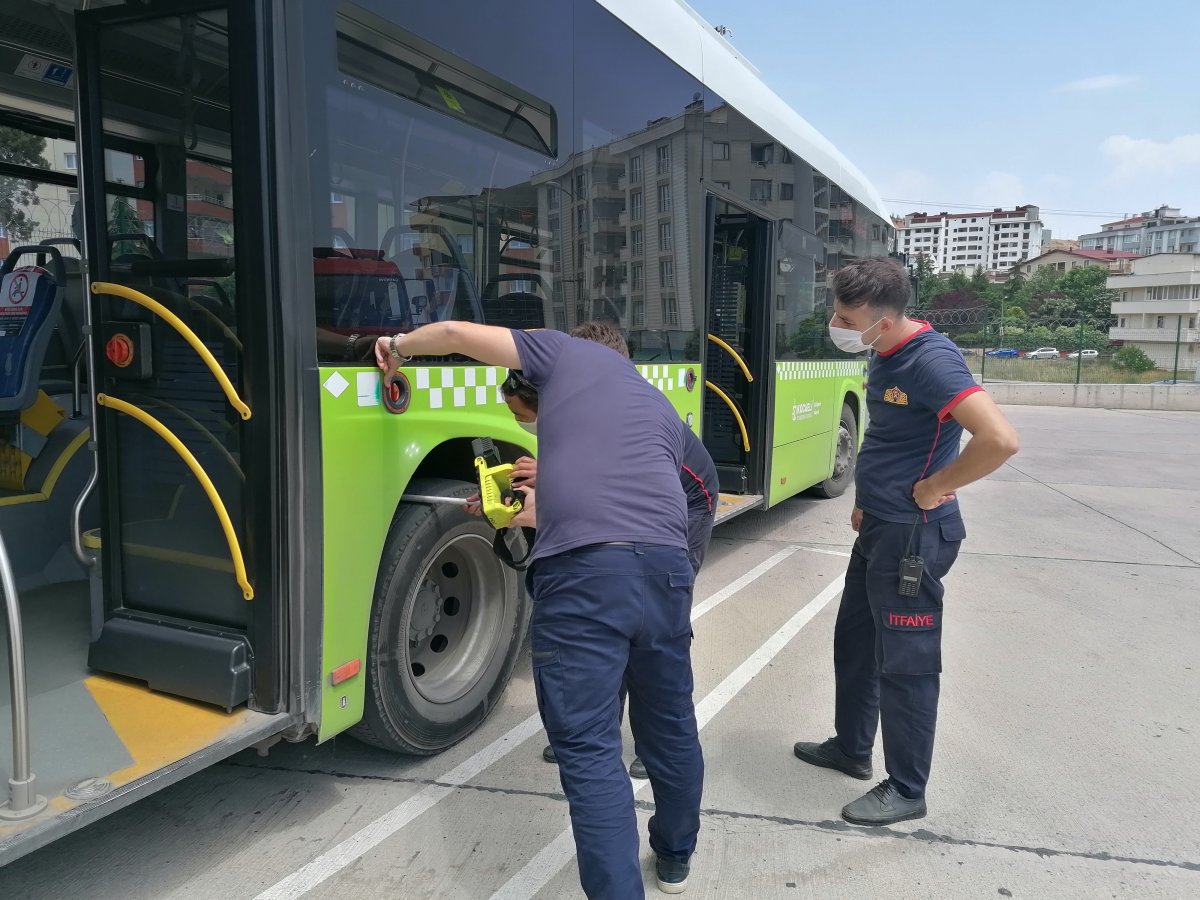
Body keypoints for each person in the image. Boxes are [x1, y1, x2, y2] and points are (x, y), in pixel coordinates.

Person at [376, 320, 703, 897]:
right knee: (671, 724)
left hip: (585, 580)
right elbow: (627, 491)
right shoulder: (656, 404)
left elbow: (454, 332)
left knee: (590, 751)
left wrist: (396, 349)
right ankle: (676, 854)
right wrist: (534, 508)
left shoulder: (565, 354)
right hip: (666, 572)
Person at [792, 257, 1019, 826]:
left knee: (906, 665)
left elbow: (1000, 439)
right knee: (856, 644)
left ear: (885, 320)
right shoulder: (884, 352)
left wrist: (937, 486)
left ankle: (908, 787)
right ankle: (851, 748)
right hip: (880, 527)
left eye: (846, 317)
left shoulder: (931, 360)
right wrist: (867, 497)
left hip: (914, 537)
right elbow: (892, 437)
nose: (837, 324)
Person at [493, 327, 718, 782]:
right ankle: (599, 729)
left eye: (524, 414)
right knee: (617, 622)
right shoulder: (584, 403)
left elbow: (622, 493)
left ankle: (655, 739)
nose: (526, 422)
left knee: (648, 624)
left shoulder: (630, 405)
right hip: (638, 516)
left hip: (686, 506)